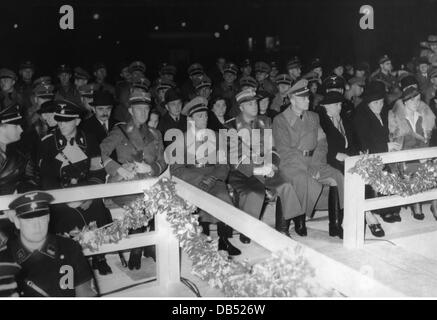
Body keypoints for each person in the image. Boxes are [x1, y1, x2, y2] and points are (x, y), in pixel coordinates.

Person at [38, 99, 113, 275]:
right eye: (59, 120)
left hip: (86, 190)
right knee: (65, 215)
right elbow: (46, 178)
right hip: (61, 195)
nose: (61, 124)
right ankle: (70, 259)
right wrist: (66, 197)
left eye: (67, 120)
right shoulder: (48, 142)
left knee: (96, 207)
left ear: (77, 121)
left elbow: (97, 172)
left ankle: (98, 256)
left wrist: (88, 195)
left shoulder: (89, 140)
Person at [225, 89, 303, 241]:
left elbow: (273, 148)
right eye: (250, 103)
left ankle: (282, 230)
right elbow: (234, 158)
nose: (255, 106)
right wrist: (257, 169)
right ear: (241, 107)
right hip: (243, 172)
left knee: (285, 185)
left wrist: (272, 164)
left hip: (266, 168)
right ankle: (246, 230)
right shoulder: (229, 126)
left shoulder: (265, 121)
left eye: (255, 102)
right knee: (255, 193)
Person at [100, 92, 167, 270]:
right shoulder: (120, 130)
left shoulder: (155, 133)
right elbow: (103, 151)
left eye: (146, 108)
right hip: (125, 184)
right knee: (141, 204)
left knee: (162, 200)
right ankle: (139, 250)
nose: (144, 112)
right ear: (130, 110)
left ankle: (149, 246)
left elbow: (163, 161)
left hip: (149, 182)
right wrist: (118, 168)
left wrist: (151, 169)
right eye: (139, 109)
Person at [273, 79, 344, 239]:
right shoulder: (280, 120)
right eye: (303, 98)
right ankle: (292, 224)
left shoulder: (313, 117)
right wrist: (307, 168)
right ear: (292, 99)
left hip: (314, 161)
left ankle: (335, 225)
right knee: (302, 179)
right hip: (292, 164)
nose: (308, 100)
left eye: (308, 97)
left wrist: (315, 164)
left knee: (337, 177)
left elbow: (321, 142)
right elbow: (284, 151)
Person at [169, 96, 241, 256]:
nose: (205, 119)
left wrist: (214, 177)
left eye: (206, 115)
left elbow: (224, 164)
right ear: (190, 119)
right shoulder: (180, 139)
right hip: (192, 179)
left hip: (214, 177)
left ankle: (224, 240)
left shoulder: (217, 136)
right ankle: (206, 239)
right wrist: (200, 179)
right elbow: (176, 169)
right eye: (200, 116)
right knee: (199, 199)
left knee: (223, 196)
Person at [2, 191, 95, 297]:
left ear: (48, 218)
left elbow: (86, 294)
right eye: (29, 221)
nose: (37, 226)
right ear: (17, 222)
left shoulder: (69, 248)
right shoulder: (5, 258)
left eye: (41, 219)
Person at [354, 81, 403, 226]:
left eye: (381, 102)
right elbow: (363, 143)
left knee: (394, 168)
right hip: (366, 156)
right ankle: (384, 209)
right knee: (383, 171)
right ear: (368, 102)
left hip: (383, 154)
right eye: (375, 103)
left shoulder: (382, 111)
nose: (379, 106)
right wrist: (386, 146)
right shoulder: (360, 116)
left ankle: (393, 207)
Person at [388, 86, 437, 220]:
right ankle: (416, 203)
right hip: (404, 156)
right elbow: (397, 145)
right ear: (405, 102)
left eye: (419, 100)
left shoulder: (423, 117)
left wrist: (424, 155)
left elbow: (426, 141)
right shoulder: (396, 119)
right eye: (413, 100)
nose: (417, 103)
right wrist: (417, 157)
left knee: (433, 166)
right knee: (416, 167)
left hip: (421, 154)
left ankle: (435, 203)